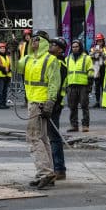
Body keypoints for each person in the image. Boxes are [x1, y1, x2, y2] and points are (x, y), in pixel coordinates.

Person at [17, 33, 59, 188]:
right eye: (32, 40)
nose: (33, 42)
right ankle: (48, 172)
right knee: (42, 138)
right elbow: (15, 67)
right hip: (33, 101)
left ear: (42, 43)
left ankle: (45, 172)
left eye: (37, 40)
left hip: (40, 103)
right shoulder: (27, 59)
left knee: (33, 138)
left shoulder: (50, 60)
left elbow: (54, 82)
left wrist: (50, 103)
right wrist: (14, 51)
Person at [47, 38, 68, 181]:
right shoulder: (54, 61)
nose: (50, 46)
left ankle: (59, 169)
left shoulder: (59, 64)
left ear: (60, 49)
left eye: (54, 45)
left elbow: (58, 86)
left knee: (54, 138)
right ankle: (56, 168)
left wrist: (53, 103)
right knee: (51, 137)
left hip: (54, 104)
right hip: (54, 103)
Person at [64, 39, 93, 132]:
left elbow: (91, 71)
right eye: (73, 47)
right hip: (71, 85)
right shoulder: (67, 59)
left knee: (84, 106)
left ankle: (85, 125)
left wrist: (89, 84)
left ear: (80, 47)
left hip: (83, 85)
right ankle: (74, 125)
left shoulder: (86, 58)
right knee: (72, 107)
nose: (75, 48)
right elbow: (65, 74)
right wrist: (65, 86)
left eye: (76, 46)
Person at [0, 42, 12, 109]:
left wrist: (8, 70)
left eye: (4, 48)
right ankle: (0, 104)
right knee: (0, 91)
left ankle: (4, 104)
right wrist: (4, 70)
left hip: (6, 76)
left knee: (5, 91)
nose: (3, 49)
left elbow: (10, 65)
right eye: (1, 48)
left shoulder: (8, 56)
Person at [90, 34, 106, 106]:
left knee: (104, 86)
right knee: (97, 86)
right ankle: (97, 101)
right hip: (96, 68)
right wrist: (94, 53)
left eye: (101, 41)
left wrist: (102, 53)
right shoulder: (93, 48)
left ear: (103, 41)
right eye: (98, 41)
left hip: (104, 68)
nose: (99, 42)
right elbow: (90, 56)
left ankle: (104, 101)